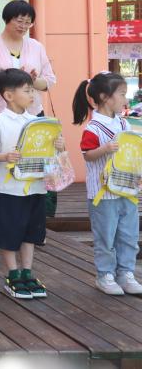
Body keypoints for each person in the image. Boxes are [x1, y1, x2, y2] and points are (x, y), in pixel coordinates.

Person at [0, 68, 63, 300]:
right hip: (10, 189)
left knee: (31, 232)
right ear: (9, 95)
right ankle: (12, 274)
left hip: (36, 186)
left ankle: (27, 272)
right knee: (10, 232)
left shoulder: (37, 122)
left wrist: (58, 145)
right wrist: (5, 156)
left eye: (32, 91)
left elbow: (49, 151)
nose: (32, 95)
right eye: (27, 91)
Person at [0, 0, 56, 211]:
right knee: (0, 161)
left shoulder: (36, 46)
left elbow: (48, 81)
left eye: (28, 22)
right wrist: (12, 83)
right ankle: (3, 207)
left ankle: (38, 210)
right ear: (7, 19)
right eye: (19, 21)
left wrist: (31, 81)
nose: (24, 26)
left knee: (37, 159)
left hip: (32, 114)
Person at [72, 71, 142, 295]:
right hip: (103, 194)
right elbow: (87, 155)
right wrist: (104, 149)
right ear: (104, 97)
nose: (125, 99)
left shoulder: (124, 123)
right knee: (106, 236)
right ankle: (105, 275)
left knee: (129, 235)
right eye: (122, 94)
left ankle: (126, 273)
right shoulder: (93, 128)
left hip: (127, 189)